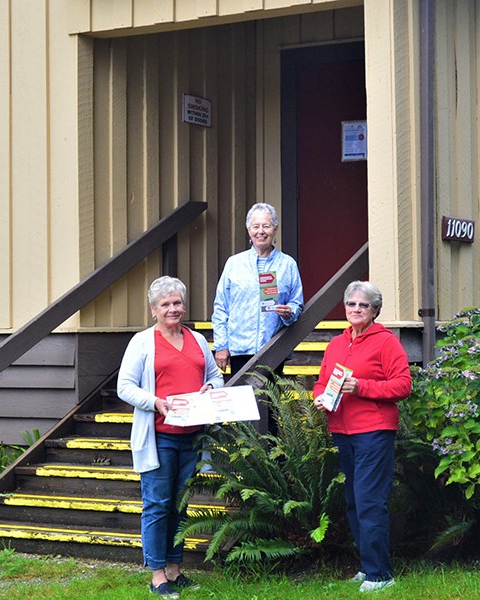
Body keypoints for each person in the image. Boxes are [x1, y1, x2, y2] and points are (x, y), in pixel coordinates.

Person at [117, 276, 224, 599]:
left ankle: (176, 570)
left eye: (177, 303)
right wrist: (156, 403)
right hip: (159, 436)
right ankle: (157, 574)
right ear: (153, 310)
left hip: (191, 437)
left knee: (180, 504)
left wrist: (211, 389)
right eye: (165, 304)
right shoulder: (142, 343)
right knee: (157, 505)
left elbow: (215, 376)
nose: (173, 309)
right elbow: (125, 386)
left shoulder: (197, 340)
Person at [312, 281, 412, 593]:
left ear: (375, 311)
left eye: (363, 305)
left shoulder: (386, 343)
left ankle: (380, 575)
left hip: (374, 431)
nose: (356, 310)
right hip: (343, 430)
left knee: (370, 501)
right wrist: (318, 397)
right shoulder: (336, 344)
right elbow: (322, 382)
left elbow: (403, 386)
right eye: (351, 304)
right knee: (354, 502)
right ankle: (367, 566)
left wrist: (362, 387)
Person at [211, 202, 304, 378]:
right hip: (239, 349)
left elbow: (297, 302)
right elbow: (221, 307)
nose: (261, 231)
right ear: (249, 230)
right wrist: (221, 346)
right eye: (256, 226)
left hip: (274, 347)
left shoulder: (287, 264)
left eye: (266, 226)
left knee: (270, 404)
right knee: (244, 402)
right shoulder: (234, 263)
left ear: (275, 230)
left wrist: (289, 312)